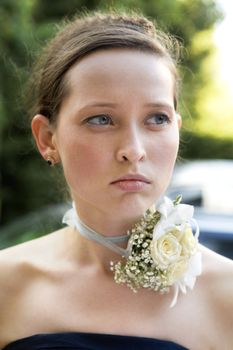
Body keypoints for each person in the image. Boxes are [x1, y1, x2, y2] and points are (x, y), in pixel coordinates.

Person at [0, 11, 232, 350]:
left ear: (177, 130)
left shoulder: (227, 294)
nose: (133, 150)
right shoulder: (7, 284)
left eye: (157, 118)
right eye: (101, 119)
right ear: (47, 138)